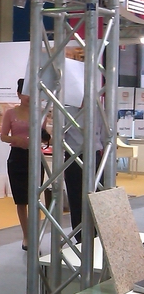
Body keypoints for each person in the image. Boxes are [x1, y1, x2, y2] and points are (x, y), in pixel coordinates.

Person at [0, 78, 48, 251]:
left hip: (35, 156)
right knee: (21, 200)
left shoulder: (40, 113)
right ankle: (26, 236)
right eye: (26, 93)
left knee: (35, 198)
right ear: (19, 94)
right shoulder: (10, 113)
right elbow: (3, 136)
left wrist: (45, 137)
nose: (29, 97)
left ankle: (35, 235)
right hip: (17, 157)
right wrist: (16, 139)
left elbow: (44, 135)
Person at [63, 104, 104, 244]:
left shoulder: (98, 110)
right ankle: (80, 237)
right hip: (73, 157)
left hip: (95, 156)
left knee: (97, 197)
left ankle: (98, 235)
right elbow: (60, 136)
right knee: (76, 198)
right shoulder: (65, 110)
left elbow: (105, 135)